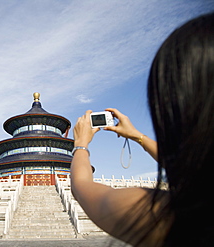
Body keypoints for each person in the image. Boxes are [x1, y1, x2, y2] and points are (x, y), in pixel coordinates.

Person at [71, 13, 214, 247]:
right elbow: (194, 164)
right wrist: (137, 136)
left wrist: (81, 144)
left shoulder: (168, 217)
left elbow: (82, 186)